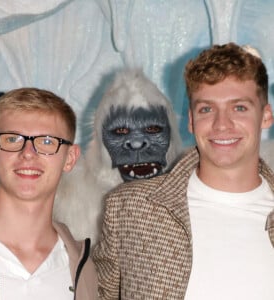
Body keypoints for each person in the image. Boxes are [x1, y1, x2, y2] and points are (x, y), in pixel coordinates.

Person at [92, 42, 274, 300]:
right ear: (190, 120)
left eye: (239, 108)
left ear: (266, 116)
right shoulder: (129, 208)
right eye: (207, 109)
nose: (222, 124)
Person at [0, 88, 98, 300]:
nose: (28, 154)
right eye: (12, 139)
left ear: (70, 158)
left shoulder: (83, 268)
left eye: (47, 142)